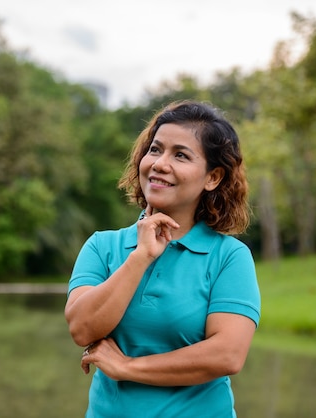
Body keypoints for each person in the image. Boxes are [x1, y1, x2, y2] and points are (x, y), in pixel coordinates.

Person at [65, 100, 261, 417]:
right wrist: (140, 257)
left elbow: (227, 355)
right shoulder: (103, 246)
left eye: (180, 155)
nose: (159, 163)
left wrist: (128, 367)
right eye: (155, 150)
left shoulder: (229, 257)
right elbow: (82, 329)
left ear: (212, 177)